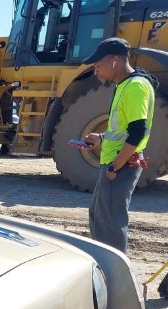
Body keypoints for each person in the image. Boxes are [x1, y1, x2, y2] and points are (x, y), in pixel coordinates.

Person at [81, 38, 157, 254]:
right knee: (99, 218)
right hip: (115, 162)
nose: (95, 71)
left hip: (120, 166)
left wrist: (115, 167)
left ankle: (114, 277)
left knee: (110, 225)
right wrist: (103, 138)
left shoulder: (135, 87)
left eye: (97, 66)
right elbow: (124, 128)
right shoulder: (125, 85)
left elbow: (138, 131)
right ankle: (106, 267)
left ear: (113, 60)